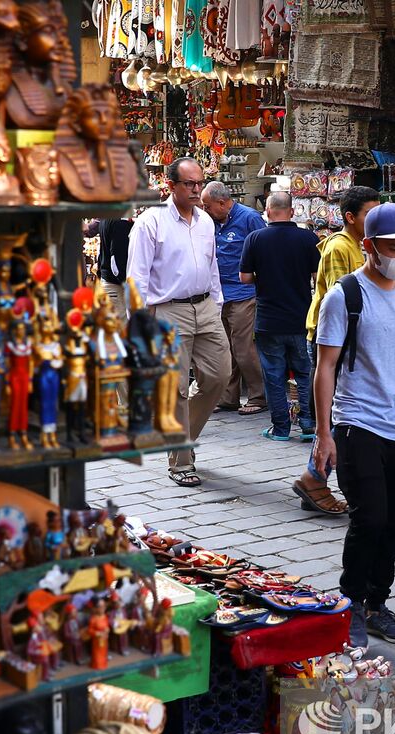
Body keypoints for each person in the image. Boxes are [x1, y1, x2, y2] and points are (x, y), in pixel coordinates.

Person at [314, 202, 395, 647]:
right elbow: (325, 367)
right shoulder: (345, 297)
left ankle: (378, 603)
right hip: (357, 424)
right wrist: (323, 433)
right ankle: (350, 602)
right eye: (394, 247)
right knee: (368, 519)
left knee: (392, 523)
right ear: (369, 246)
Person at [126, 157, 231, 487]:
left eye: (200, 183)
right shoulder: (150, 223)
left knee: (219, 376)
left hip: (205, 307)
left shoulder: (205, 222)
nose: (197, 189)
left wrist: (217, 301)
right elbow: (137, 276)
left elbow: (210, 264)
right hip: (168, 312)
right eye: (189, 184)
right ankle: (181, 460)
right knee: (176, 388)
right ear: (170, 186)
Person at [294, 186, 381, 516]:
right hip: (334, 339)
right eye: (369, 215)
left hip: (352, 339)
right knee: (334, 415)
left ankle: (315, 476)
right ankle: (314, 477)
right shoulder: (339, 248)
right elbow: (340, 301)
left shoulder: (361, 245)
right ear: (350, 217)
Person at [239, 191, 322, 442]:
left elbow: (244, 277)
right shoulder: (308, 238)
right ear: (292, 211)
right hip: (300, 317)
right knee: (304, 373)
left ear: (267, 211)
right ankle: (308, 424)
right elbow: (318, 278)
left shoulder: (255, 238)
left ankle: (281, 428)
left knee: (274, 376)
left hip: (268, 320)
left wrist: (263, 277)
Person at [201, 182, 268, 416]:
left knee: (243, 347)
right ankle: (228, 397)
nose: (205, 210)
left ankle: (259, 396)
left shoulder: (249, 218)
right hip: (219, 293)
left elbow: (264, 251)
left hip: (244, 293)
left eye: (207, 206)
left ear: (221, 203)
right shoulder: (212, 222)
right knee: (224, 347)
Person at [97, 218, 133, 321]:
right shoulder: (119, 223)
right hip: (115, 287)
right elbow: (116, 262)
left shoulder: (105, 219)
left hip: (108, 283)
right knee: (119, 329)